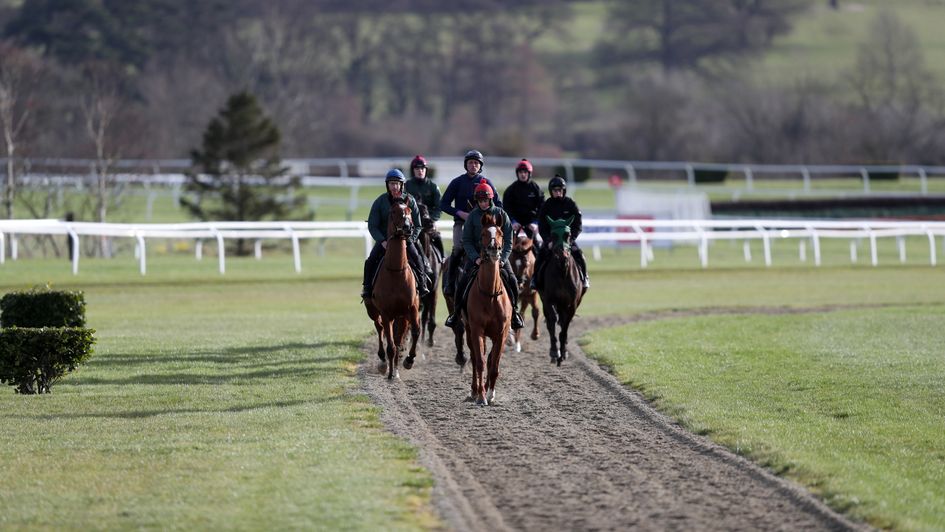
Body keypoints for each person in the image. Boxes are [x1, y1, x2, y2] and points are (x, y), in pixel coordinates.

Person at [444, 182, 525, 330]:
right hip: (476, 256)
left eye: (485, 200)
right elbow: (466, 240)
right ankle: (456, 314)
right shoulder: (472, 216)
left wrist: (503, 259)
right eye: (480, 201)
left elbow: (508, 240)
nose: (482, 203)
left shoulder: (501, 214)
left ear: (490, 199)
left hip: (499, 256)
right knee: (463, 281)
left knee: (512, 280)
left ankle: (515, 313)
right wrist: (475, 257)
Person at [439, 149, 502, 297]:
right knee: (458, 249)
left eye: (476, 163)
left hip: (484, 227)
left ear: (480, 166)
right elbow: (444, 204)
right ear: (466, 165)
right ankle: (450, 282)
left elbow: (499, 205)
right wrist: (459, 213)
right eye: (470, 163)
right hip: (461, 224)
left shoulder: (486, 183)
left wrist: (486, 217)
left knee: (493, 251)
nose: (473, 165)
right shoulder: (457, 182)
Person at [361, 169, 431, 299]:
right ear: (387, 185)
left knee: (418, 259)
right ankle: (367, 288)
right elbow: (372, 225)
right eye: (391, 183)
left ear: (402, 185)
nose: (394, 186)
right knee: (370, 261)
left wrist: (411, 239)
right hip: (385, 241)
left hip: (406, 240)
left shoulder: (410, 200)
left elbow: (418, 225)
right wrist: (382, 241)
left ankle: (422, 285)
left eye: (397, 183)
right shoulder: (380, 201)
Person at [532, 174, 589, 292]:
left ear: (564, 191)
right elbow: (542, 226)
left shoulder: (571, 204)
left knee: (579, 255)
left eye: (560, 190)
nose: (557, 192)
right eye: (555, 190)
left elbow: (578, 224)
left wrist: (571, 239)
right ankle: (535, 280)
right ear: (551, 191)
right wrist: (548, 241)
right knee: (540, 255)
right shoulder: (546, 205)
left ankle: (584, 278)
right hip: (552, 241)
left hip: (567, 240)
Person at [404, 154, 445, 260]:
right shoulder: (407, 186)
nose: (420, 170)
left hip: (428, 221)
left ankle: (442, 259)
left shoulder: (433, 187)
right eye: (417, 168)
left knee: (437, 237)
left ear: (426, 170)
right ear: (413, 170)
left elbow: (439, 207)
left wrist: (432, 220)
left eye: (422, 168)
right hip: (411, 221)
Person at [502, 158, 545, 245]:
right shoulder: (511, 190)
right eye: (520, 172)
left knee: (539, 245)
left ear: (529, 174)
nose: (523, 175)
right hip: (515, 224)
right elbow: (506, 208)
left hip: (532, 224)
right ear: (517, 173)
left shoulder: (536, 189)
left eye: (525, 172)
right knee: (506, 245)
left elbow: (542, 207)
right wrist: (513, 221)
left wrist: (536, 222)